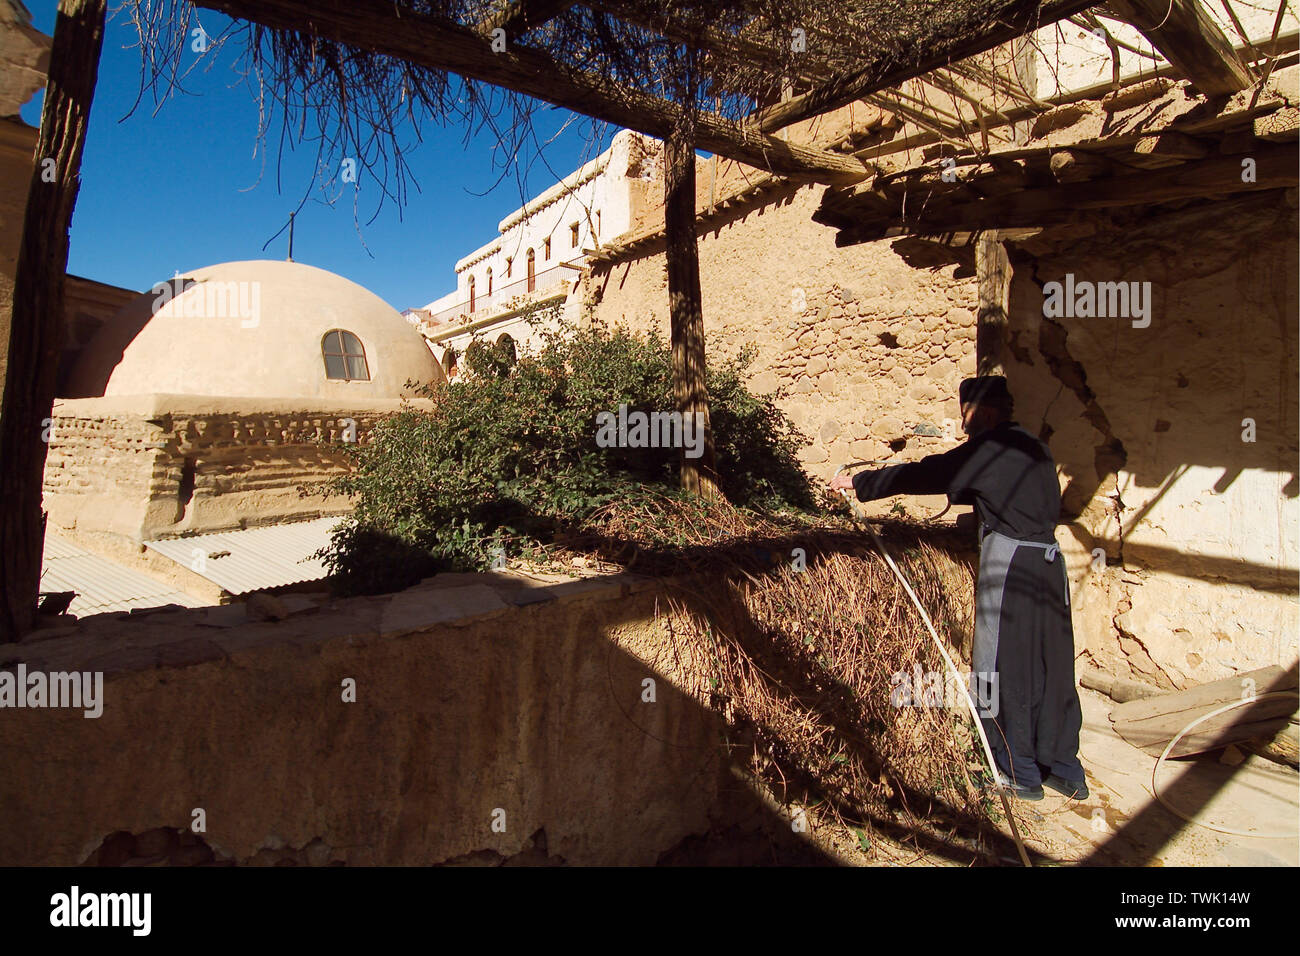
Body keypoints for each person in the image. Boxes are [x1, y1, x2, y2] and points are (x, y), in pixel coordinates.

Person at [829, 375, 1087, 801]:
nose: (962, 422)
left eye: (965, 412)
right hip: (1049, 564)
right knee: (1052, 667)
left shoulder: (991, 448)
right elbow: (987, 487)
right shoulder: (1033, 447)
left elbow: (932, 472)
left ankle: (1017, 772)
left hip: (1014, 567)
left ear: (983, 412)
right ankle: (1063, 768)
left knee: (1003, 667)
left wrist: (860, 483)